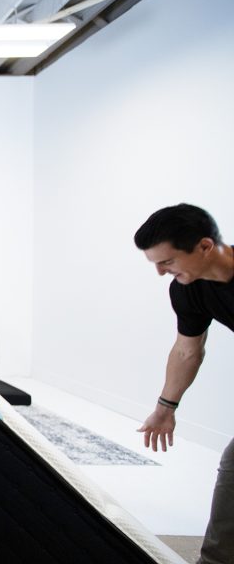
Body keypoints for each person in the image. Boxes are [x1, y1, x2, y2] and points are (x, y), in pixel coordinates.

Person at [134, 203, 233, 564]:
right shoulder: (188, 288)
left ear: (205, 246)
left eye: (168, 261)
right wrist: (165, 408)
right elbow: (188, 350)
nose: (161, 272)